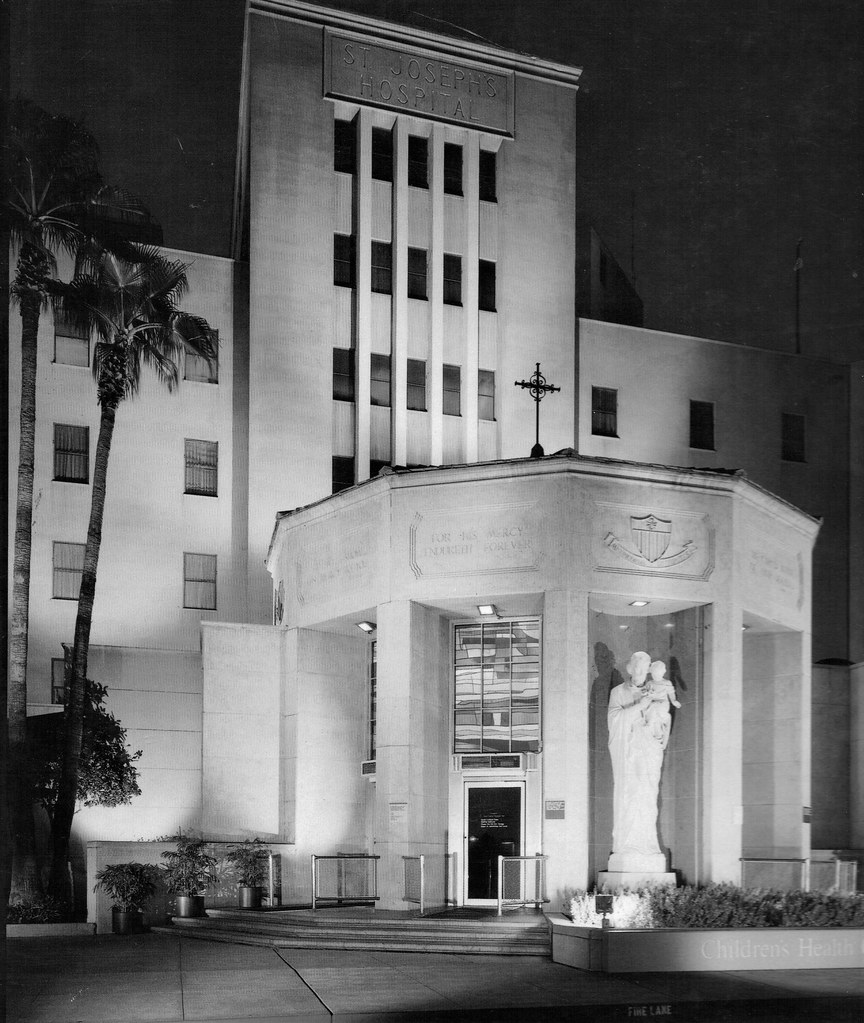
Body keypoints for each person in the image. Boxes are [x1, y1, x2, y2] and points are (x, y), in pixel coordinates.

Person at [607, 651, 666, 863]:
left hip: (649, 751)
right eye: (637, 666)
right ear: (630, 668)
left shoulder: (657, 690)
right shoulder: (618, 692)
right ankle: (626, 845)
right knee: (629, 795)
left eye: (645, 667)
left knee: (648, 797)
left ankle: (648, 844)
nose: (640, 671)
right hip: (628, 754)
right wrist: (639, 707)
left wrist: (656, 719)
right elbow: (614, 721)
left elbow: (663, 721)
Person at [642, 660, 681, 747]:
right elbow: (645, 693)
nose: (655, 676)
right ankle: (651, 726)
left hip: (662, 704)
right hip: (651, 704)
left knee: (655, 706)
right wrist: (645, 693)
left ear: (662, 673)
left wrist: (674, 701)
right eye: (653, 674)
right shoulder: (650, 683)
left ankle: (650, 723)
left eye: (657, 674)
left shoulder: (666, 683)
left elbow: (671, 694)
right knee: (651, 708)